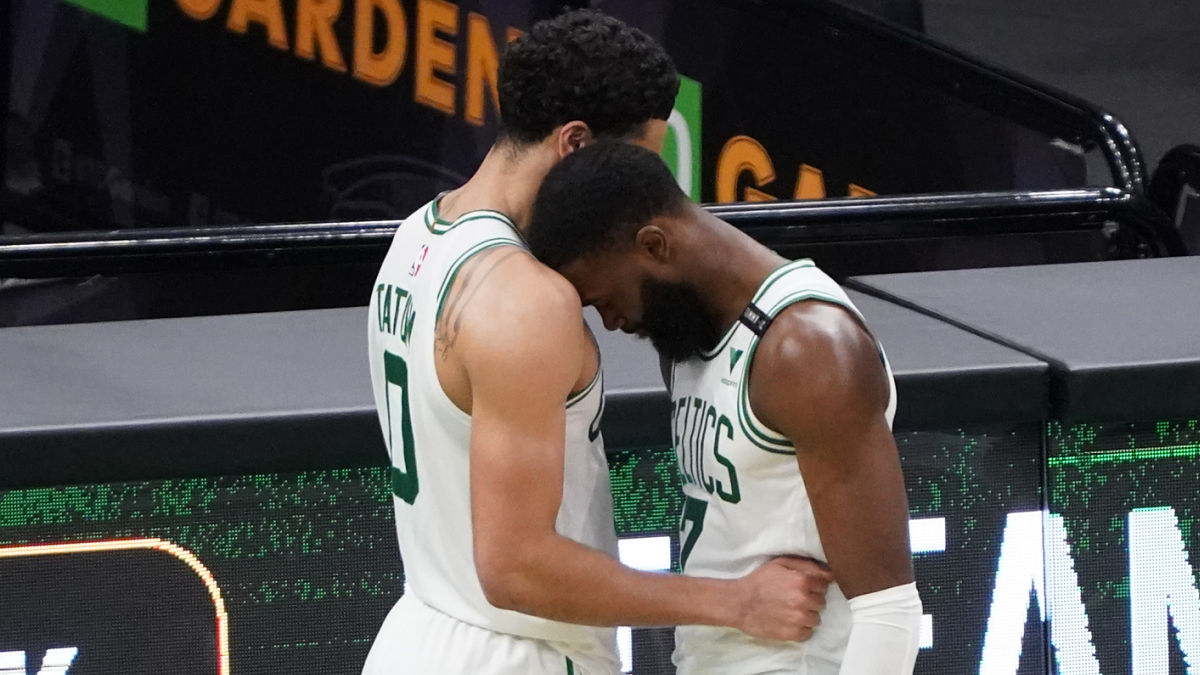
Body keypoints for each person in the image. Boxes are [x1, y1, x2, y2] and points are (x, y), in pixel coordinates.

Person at [363, 11, 832, 675]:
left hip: (417, 635)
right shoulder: (527, 300)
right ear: (576, 145)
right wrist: (737, 602)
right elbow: (516, 565)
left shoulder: (418, 234)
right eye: (635, 165)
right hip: (516, 655)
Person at [527, 141, 923, 674]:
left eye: (604, 299)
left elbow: (889, 611)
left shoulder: (807, 351)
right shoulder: (690, 334)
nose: (611, 322)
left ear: (655, 245)